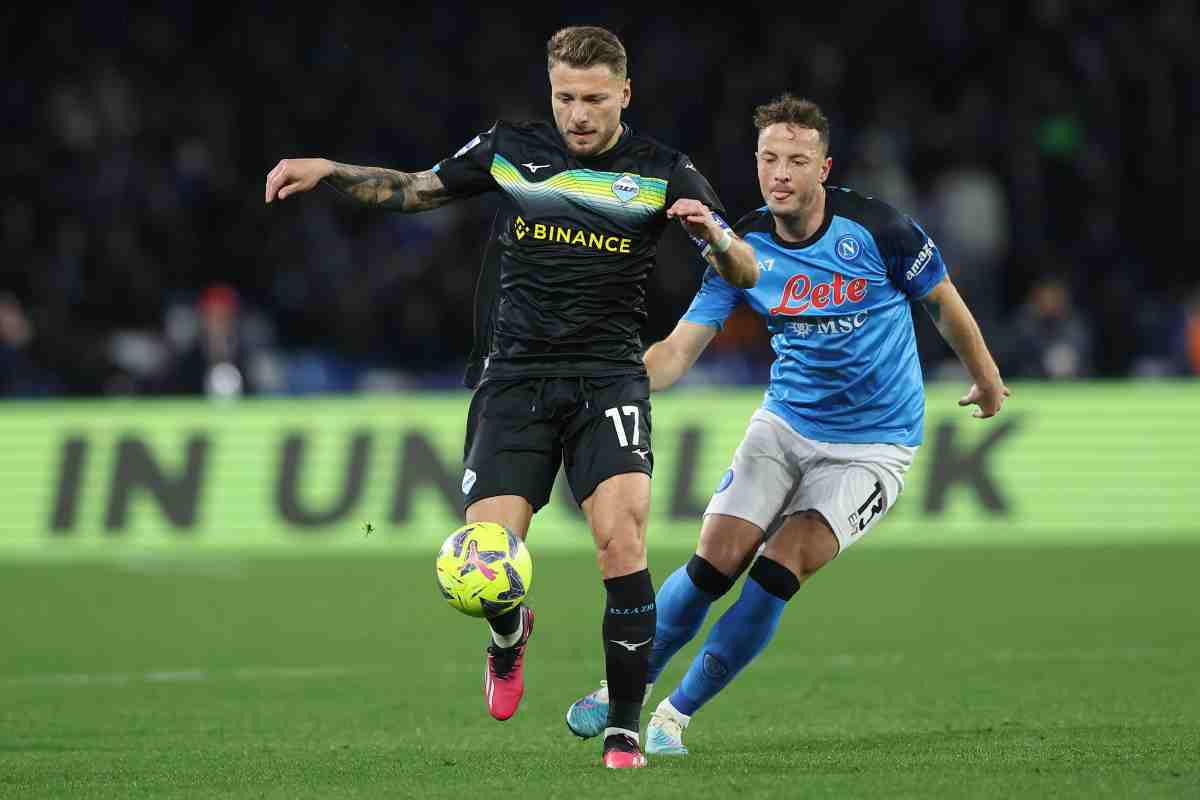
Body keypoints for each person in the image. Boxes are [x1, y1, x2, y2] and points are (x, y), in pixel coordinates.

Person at [264, 26, 758, 768]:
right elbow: (415, 187)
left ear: (625, 94)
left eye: (594, 99)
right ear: (550, 92)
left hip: (607, 377)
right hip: (515, 378)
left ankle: (624, 727)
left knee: (620, 540)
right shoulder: (510, 148)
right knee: (489, 556)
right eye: (566, 98)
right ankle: (508, 633)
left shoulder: (664, 172)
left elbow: (746, 269)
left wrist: (714, 240)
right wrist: (330, 169)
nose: (579, 114)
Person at [565, 93, 1010, 755]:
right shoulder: (740, 247)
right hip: (785, 425)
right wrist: (615, 387)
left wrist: (987, 376)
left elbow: (943, 302)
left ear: (823, 168)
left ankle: (674, 718)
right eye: (769, 158)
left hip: (872, 445)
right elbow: (681, 348)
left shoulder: (879, 230)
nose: (780, 172)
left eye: (796, 160)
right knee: (713, 562)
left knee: (779, 568)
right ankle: (623, 690)